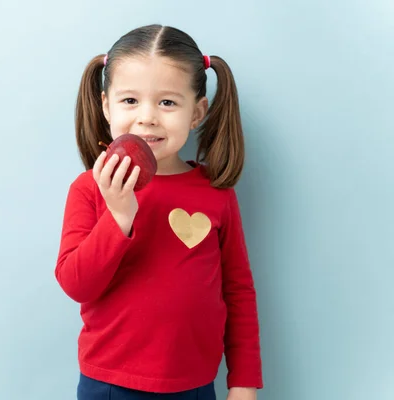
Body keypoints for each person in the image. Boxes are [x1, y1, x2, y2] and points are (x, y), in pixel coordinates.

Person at [54, 24, 263, 400]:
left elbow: (238, 291)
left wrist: (243, 382)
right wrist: (118, 217)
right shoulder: (90, 189)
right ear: (106, 106)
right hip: (109, 385)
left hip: (194, 386)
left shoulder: (216, 194)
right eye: (130, 101)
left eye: (167, 102)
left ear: (197, 112)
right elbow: (76, 284)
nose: (147, 117)